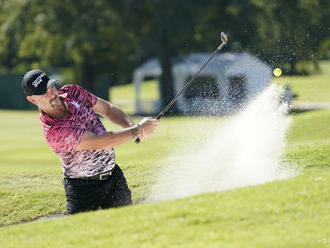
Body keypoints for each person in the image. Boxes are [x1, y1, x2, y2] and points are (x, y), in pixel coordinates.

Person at [21, 69, 160, 214]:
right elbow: (101, 142)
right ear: (32, 99)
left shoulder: (72, 92)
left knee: (128, 225)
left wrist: (131, 126)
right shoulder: (54, 130)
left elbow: (108, 109)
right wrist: (138, 130)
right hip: (83, 189)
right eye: (44, 92)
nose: (52, 93)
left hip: (113, 177)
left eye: (51, 87)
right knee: (81, 234)